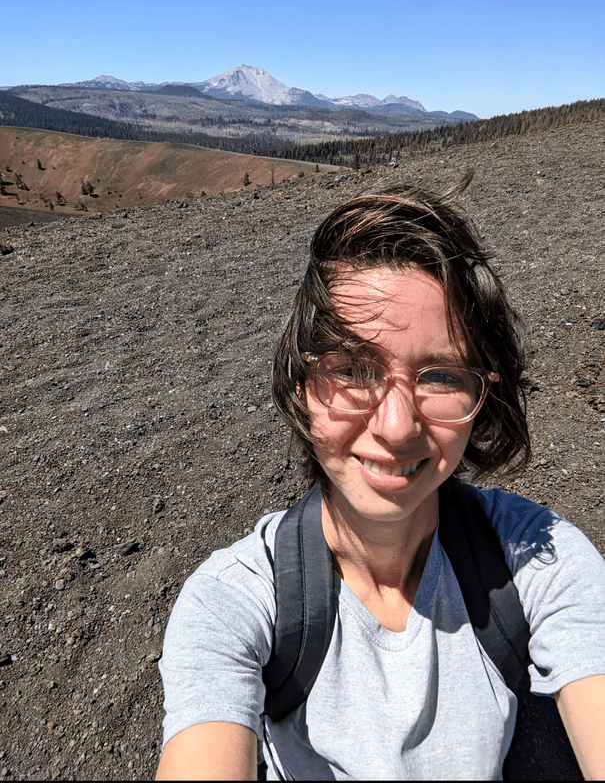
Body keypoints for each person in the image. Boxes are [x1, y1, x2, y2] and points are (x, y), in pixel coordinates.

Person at [156, 176, 605, 780]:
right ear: (300, 386)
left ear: (483, 391)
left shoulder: (540, 559)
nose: (396, 427)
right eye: (354, 370)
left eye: (441, 376)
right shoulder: (233, 603)